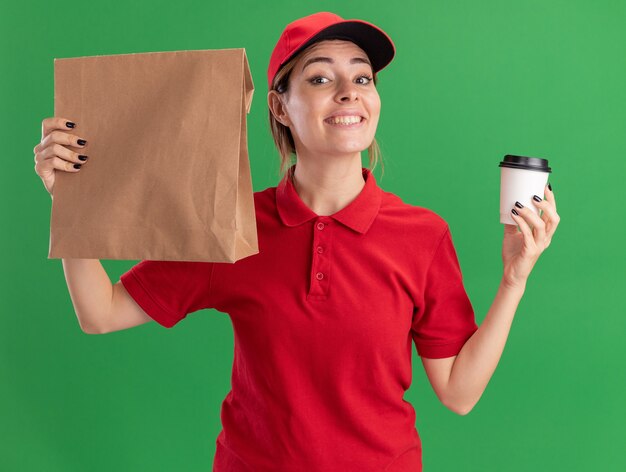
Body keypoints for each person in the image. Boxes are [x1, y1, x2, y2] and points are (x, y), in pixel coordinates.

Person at [33, 11, 560, 472]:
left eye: (362, 77)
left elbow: (459, 393)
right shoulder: (235, 222)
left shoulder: (421, 235)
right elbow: (99, 314)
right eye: (319, 78)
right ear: (280, 107)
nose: (349, 91)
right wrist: (72, 199)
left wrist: (515, 277)